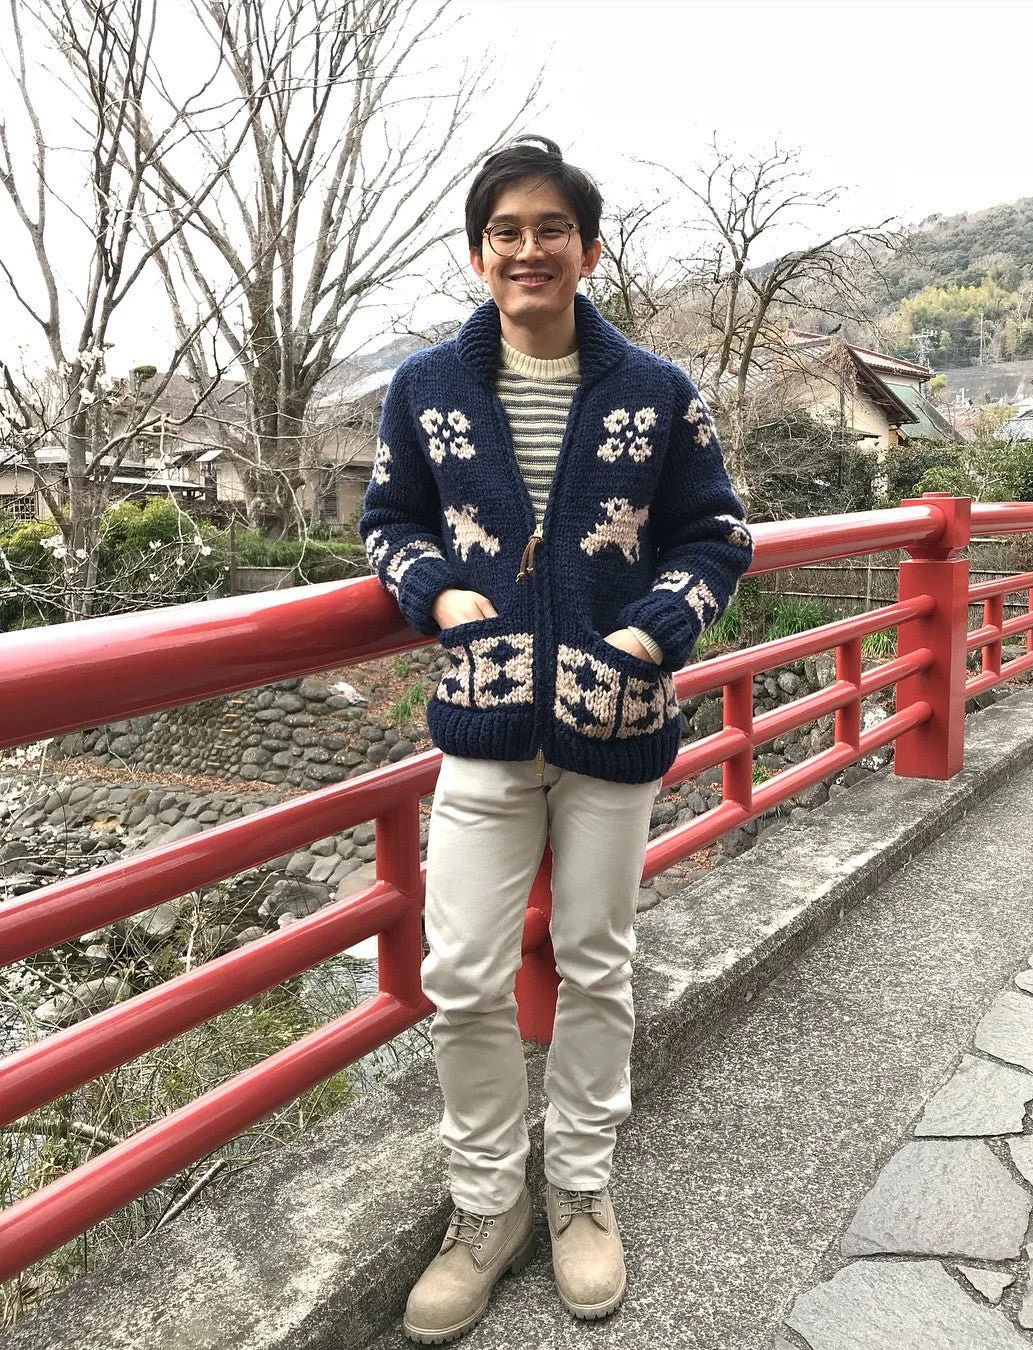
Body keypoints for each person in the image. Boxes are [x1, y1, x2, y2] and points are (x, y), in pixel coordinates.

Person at [358, 135, 753, 1344]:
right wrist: (437, 590)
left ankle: (579, 1187)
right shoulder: (426, 388)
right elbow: (386, 519)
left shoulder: (656, 389)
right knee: (463, 972)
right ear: (481, 253)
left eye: (549, 229)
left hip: (615, 723)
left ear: (587, 246)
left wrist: (651, 630)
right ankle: (489, 1207)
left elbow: (719, 534)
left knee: (598, 958)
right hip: (482, 718)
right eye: (504, 232)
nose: (527, 249)